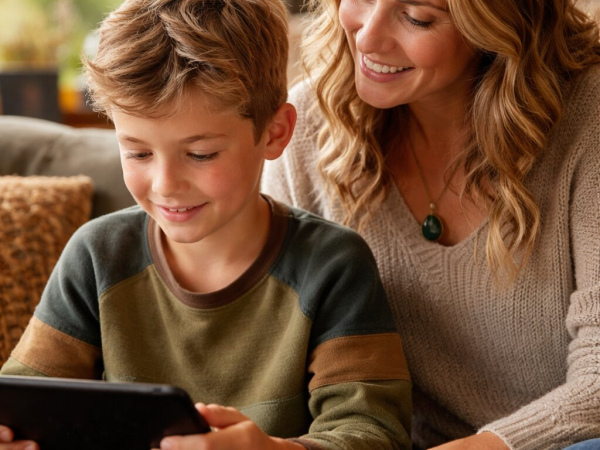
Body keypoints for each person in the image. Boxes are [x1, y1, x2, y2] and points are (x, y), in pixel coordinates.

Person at [0, 0, 413, 449]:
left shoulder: (333, 266)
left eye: (200, 155)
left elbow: (375, 434)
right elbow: (23, 402)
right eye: (137, 152)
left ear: (275, 133)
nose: (166, 184)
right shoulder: (97, 255)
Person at [261, 0, 600, 448]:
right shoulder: (308, 128)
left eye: (416, 17)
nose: (366, 37)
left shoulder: (588, 121)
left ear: (499, 25)